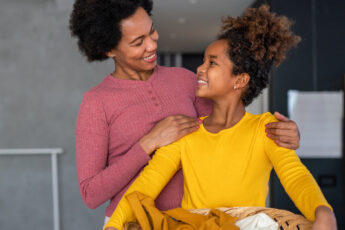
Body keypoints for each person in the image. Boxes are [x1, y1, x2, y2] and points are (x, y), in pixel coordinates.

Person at [104, 5, 337, 230]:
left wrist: (323, 211)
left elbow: (295, 177)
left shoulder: (264, 128)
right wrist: (114, 225)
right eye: (204, 61)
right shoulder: (185, 131)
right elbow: (146, 185)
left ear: (240, 80)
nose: (200, 69)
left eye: (212, 63)